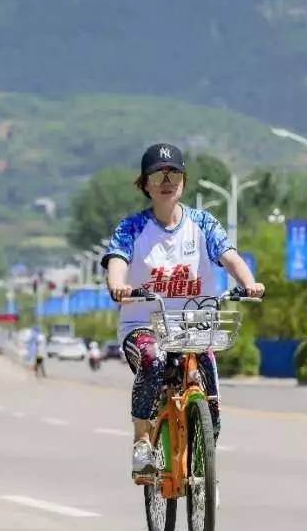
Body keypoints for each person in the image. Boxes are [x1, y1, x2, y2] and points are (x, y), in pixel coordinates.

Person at [103, 143, 264, 479]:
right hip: (143, 323)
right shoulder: (132, 228)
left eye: (174, 173)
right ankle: (142, 442)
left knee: (213, 409)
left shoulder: (202, 223)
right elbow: (117, 260)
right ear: (145, 184)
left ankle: (202, 476)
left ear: (184, 181)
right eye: (158, 174)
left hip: (194, 325)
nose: (167, 180)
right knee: (153, 360)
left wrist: (250, 282)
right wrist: (118, 284)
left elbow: (230, 256)